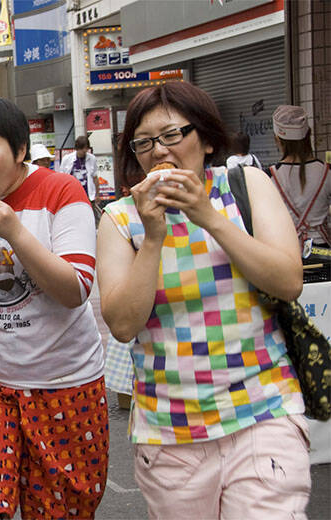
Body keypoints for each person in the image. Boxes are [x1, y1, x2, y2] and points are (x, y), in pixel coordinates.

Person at [96, 82, 308, 518]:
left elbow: (288, 280)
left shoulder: (247, 185)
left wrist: (207, 215)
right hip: (170, 434)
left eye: (173, 135)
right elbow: (122, 324)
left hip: (262, 413)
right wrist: (153, 236)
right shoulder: (120, 218)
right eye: (144, 142)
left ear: (207, 140)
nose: (159, 151)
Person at [0, 96, 108, 519]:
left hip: (66, 378)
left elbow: (75, 289)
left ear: (20, 151)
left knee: (61, 509)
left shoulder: (61, 191)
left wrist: (12, 229)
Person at [270, 105, 330, 248]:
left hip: (288, 250)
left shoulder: (269, 176)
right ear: (308, 134)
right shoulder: (327, 171)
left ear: (278, 139)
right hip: (323, 250)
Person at [59, 135, 99, 204]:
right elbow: (61, 179)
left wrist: (97, 195)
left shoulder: (92, 159)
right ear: (77, 148)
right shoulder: (67, 159)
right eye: (82, 148)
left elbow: (95, 177)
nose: (84, 150)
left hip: (88, 195)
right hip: (71, 195)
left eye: (86, 148)